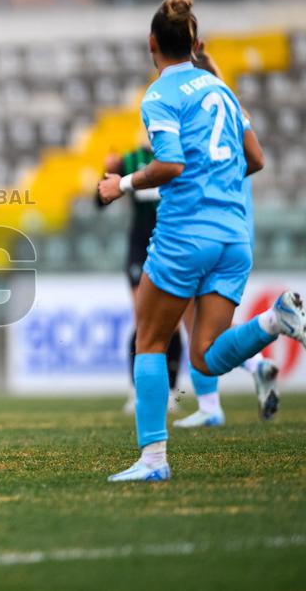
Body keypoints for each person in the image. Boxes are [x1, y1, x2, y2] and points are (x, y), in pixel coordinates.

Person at [97, 0, 306, 482]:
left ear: (153, 43)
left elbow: (171, 163)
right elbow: (257, 160)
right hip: (233, 236)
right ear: (194, 41)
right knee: (205, 353)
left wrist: (123, 184)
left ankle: (153, 461)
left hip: (185, 233)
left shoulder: (159, 95)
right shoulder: (222, 89)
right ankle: (272, 322)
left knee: (151, 342)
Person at [173, 44, 280, 428]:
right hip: (237, 228)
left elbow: (176, 168)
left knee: (192, 322)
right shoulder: (234, 109)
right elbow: (257, 160)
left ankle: (210, 403)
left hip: (203, 225)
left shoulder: (192, 116)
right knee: (208, 326)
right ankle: (253, 364)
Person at [98, 147, 183, 415]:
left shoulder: (179, 156)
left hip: (173, 245)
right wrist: (106, 171)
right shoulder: (131, 160)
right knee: (143, 318)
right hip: (140, 248)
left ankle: (170, 392)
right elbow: (100, 199)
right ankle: (135, 390)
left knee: (173, 323)